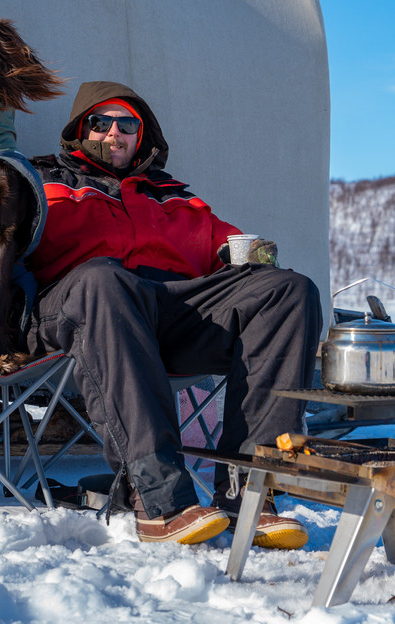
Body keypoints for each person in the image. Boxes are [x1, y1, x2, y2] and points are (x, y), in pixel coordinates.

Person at [22, 81, 322, 546]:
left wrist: (244, 252)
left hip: (170, 310)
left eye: (127, 125)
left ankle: (251, 492)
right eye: (100, 123)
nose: (113, 133)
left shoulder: (175, 195)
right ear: (81, 130)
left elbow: (227, 243)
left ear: (142, 136)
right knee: (104, 278)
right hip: (80, 304)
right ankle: (160, 501)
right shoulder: (42, 181)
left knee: (289, 290)